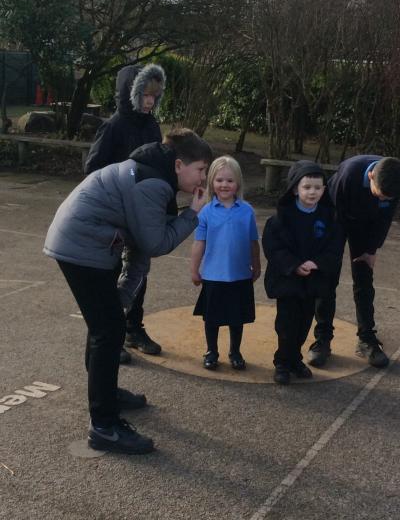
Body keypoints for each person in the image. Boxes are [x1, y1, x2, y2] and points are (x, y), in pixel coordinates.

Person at [43, 128, 212, 454]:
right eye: (201, 169)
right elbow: (155, 243)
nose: (202, 178)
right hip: (82, 246)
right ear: (179, 165)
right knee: (108, 331)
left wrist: (124, 294)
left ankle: (105, 395)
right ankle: (104, 426)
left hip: (89, 243)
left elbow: (141, 246)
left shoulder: (154, 175)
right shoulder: (154, 183)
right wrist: (193, 214)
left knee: (106, 326)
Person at [85, 63, 166, 363]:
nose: (149, 102)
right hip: (114, 215)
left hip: (141, 214)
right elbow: (93, 169)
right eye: (145, 95)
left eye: (154, 96)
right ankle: (111, 334)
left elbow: (158, 164)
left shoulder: (152, 126)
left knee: (139, 272)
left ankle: (133, 328)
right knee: (112, 274)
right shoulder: (113, 126)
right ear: (131, 93)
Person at [308, 155, 400, 369]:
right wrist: (326, 252)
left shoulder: (395, 179)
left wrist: (371, 250)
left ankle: (366, 339)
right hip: (337, 218)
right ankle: (322, 339)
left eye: (386, 198)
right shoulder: (348, 175)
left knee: (363, 278)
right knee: (327, 279)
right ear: (370, 176)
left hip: (365, 224)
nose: (383, 200)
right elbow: (330, 214)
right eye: (379, 195)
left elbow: (385, 218)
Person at [262, 161, 344, 385]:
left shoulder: (329, 218)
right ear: (295, 189)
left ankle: (295, 359)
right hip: (289, 282)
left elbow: (335, 248)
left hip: (312, 282)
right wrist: (294, 265)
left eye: (317, 187)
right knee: (286, 325)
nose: (312, 192)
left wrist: (317, 263)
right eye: (307, 187)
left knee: (304, 324)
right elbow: (274, 248)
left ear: (324, 190)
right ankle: (282, 362)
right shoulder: (281, 218)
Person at [191, 156, 261, 371]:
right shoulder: (206, 211)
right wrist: (194, 269)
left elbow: (253, 242)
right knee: (211, 318)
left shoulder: (247, 210)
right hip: (213, 276)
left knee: (236, 318)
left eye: (230, 180)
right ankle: (211, 351)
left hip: (240, 275)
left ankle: (235, 352)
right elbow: (199, 243)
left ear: (238, 183)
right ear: (211, 181)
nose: (224, 185)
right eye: (219, 180)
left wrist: (256, 265)